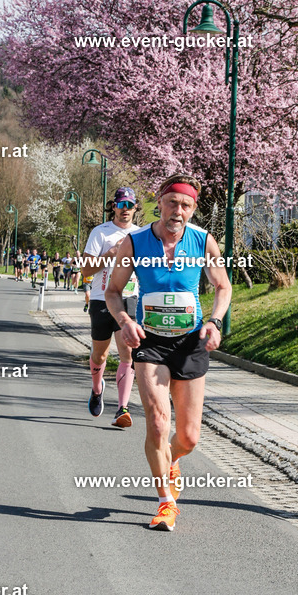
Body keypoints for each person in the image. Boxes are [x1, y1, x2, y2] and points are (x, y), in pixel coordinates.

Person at [105, 174, 231, 531]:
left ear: (193, 209)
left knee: (189, 436)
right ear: (159, 202)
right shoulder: (135, 243)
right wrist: (125, 320)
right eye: (172, 203)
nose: (178, 211)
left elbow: (223, 286)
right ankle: (166, 503)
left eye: (186, 205)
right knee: (159, 423)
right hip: (151, 342)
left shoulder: (203, 242)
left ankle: (171, 460)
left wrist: (215, 322)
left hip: (191, 341)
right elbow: (114, 291)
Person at [81, 187, 142, 428]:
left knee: (128, 353)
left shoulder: (141, 234)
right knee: (100, 354)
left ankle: (122, 409)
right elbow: (85, 270)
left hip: (130, 299)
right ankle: (97, 390)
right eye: (121, 205)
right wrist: (111, 253)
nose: (125, 210)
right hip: (101, 298)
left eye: (130, 205)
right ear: (113, 207)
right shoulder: (101, 232)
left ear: (135, 208)